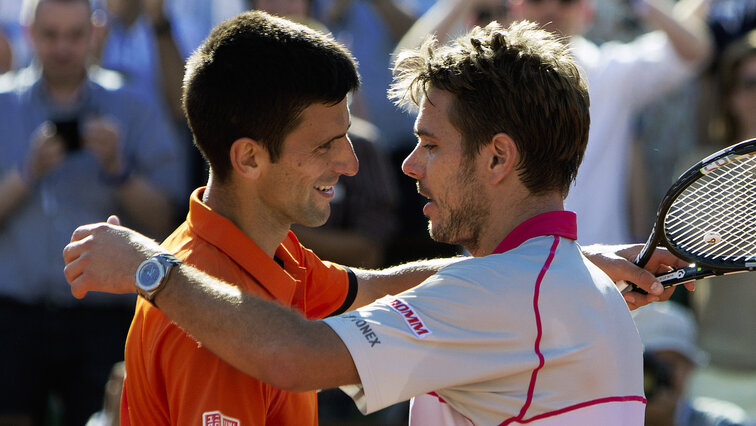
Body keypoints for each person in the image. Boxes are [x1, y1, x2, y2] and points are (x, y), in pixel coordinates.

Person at [64, 18, 692, 425]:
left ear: (499, 157)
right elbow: (366, 290)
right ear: (249, 158)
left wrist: (149, 268)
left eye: (432, 144)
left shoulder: (509, 292)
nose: (374, 163)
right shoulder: (560, 286)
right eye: (326, 143)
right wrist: (573, 260)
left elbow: (292, 354)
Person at [0, 0, 186, 424]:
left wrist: (119, 170)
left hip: (104, 318)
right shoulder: (3, 105)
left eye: (74, 35)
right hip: (14, 315)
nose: (62, 48)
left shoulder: (134, 106)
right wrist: (27, 173)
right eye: (50, 35)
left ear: (95, 32)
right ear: (29, 34)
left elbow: (167, 220)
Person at [684, 29, 756, 419]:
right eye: (750, 83)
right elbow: (701, 246)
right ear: (730, 96)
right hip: (715, 372)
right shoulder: (697, 169)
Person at [633, 301, 755, 426]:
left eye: (672, 363)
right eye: (652, 365)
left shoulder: (722, 422)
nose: (663, 373)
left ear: (689, 368)